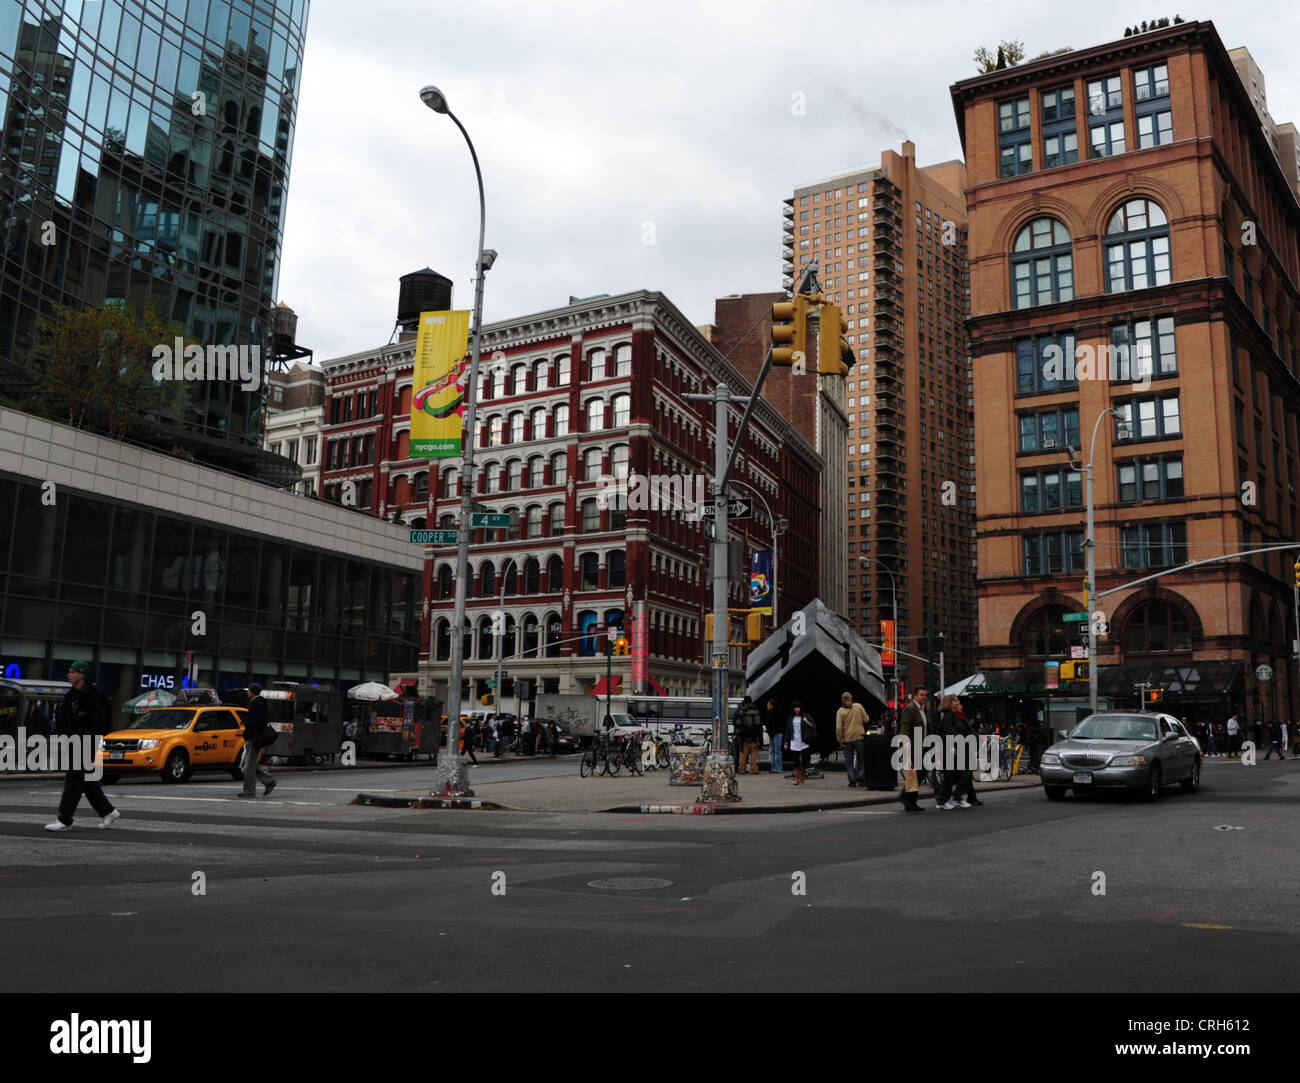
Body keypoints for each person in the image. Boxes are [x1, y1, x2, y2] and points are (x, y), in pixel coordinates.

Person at [46, 661, 119, 832]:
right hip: (74, 741)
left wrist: (83, 738)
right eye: (69, 672)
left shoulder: (91, 695)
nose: (69, 675)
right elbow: (64, 718)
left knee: (74, 778)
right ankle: (108, 811)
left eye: (72, 672)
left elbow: (98, 723)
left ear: (81, 674)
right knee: (86, 780)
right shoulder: (72, 695)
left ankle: (64, 819)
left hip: (86, 742)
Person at [239, 683, 277, 797]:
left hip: (253, 737)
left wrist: (246, 733)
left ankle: (249, 791)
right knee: (250, 764)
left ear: (252, 692)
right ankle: (269, 782)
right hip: (258, 737)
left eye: (248, 690)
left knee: (248, 765)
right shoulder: (262, 702)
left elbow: (253, 722)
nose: (247, 692)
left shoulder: (255, 703)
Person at [897, 687, 930, 812]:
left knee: (918, 774)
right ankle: (906, 797)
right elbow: (904, 726)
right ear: (915, 696)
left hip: (921, 745)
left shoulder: (922, 710)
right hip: (913, 746)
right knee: (916, 774)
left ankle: (910, 801)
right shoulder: (910, 708)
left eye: (925, 695)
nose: (924, 697)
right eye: (921, 695)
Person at [835, 691, 869, 788]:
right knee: (861, 760)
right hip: (859, 737)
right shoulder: (858, 707)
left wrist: (840, 740)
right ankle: (861, 779)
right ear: (852, 698)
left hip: (847, 739)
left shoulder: (840, 711)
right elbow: (866, 719)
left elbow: (838, 728)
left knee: (849, 762)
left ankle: (852, 781)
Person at [783, 702, 816, 785]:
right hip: (794, 742)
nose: (796, 709)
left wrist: (806, 721)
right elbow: (788, 731)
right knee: (795, 760)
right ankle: (796, 778)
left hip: (804, 741)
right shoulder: (791, 718)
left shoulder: (805, 716)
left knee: (805, 759)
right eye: (795, 708)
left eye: (798, 707)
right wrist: (786, 742)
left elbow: (813, 726)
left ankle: (802, 773)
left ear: (800, 708)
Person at [734, 697, 763, 775]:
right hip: (755, 737)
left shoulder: (740, 711)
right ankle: (754, 770)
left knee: (743, 754)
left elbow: (736, 723)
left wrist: (739, 734)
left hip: (744, 737)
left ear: (744, 701)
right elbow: (760, 724)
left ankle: (742, 770)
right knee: (754, 754)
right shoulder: (755, 710)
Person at [763, 698, 785, 774]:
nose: (767, 706)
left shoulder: (778, 712)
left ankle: (778, 768)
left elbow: (778, 724)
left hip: (777, 733)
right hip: (772, 733)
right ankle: (773, 767)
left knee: (777, 751)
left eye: (768, 704)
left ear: (772, 705)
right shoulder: (769, 713)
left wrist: (771, 731)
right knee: (772, 751)